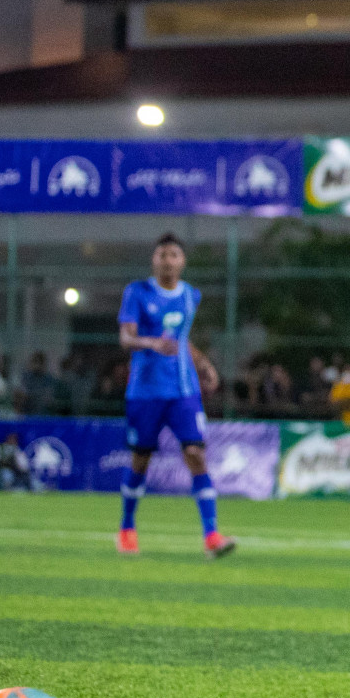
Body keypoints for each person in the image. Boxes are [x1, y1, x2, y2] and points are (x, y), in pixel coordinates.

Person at [115, 232, 236, 559]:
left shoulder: (190, 296)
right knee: (141, 459)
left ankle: (212, 536)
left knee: (196, 454)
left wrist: (202, 362)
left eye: (173, 255)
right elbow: (127, 338)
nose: (167, 260)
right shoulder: (137, 292)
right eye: (162, 255)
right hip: (145, 391)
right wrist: (151, 342)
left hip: (183, 391)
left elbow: (181, 340)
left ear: (182, 262)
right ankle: (127, 529)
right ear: (154, 260)